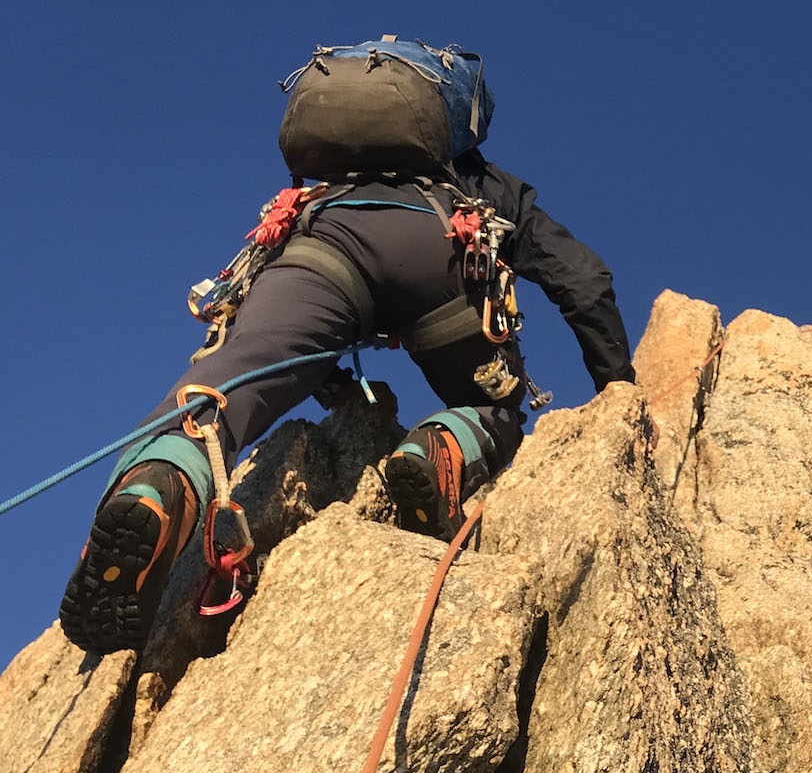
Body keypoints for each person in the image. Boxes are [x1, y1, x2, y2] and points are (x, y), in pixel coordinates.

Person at [58, 39, 635, 654]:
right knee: (492, 406)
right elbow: (584, 278)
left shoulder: (331, 181)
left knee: (229, 380)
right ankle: (440, 450)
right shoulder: (484, 181)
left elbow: (299, 338)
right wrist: (618, 387)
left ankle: (156, 485)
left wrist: (328, 385)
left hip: (322, 245)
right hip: (441, 251)